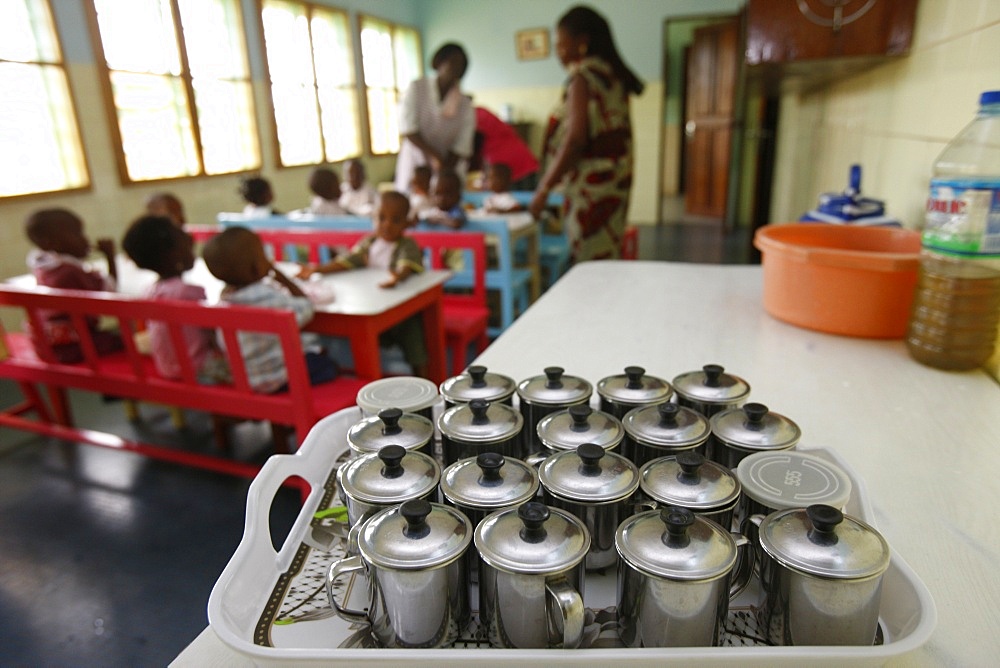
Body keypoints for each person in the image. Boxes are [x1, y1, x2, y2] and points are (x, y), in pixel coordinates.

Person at [529, 5, 643, 262]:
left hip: (590, 191)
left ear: (582, 42)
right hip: (614, 184)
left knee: (589, 262)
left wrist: (544, 188)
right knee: (606, 257)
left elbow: (575, 140)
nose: (558, 53)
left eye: (561, 44)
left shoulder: (582, 78)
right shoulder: (612, 76)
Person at [296, 191, 429, 377]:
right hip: (373, 307)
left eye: (396, 220)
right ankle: (367, 379)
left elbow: (405, 265)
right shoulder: (369, 243)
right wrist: (317, 270)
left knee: (413, 338)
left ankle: (423, 379)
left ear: (406, 224)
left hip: (402, 312)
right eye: (381, 218)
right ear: (373, 218)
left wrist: (397, 278)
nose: (387, 225)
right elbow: (348, 261)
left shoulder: (407, 244)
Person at [201, 226, 336, 394]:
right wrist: (284, 279)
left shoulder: (223, 303)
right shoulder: (269, 299)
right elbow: (306, 307)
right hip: (281, 378)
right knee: (328, 361)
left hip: (248, 381)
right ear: (257, 267)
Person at [121, 215, 228, 383]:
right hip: (197, 370)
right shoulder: (187, 292)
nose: (191, 239)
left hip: (167, 368)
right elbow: (214, 334)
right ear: (172, 254)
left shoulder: (150, 291)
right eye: (185, 241)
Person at [23, 208, 123, 362]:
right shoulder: (69, 272)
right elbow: (110, 292)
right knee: (124, 338)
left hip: (46, 344)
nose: (85, 239)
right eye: (78, 234)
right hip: (73, 346)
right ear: (50, 242)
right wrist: (110, 256)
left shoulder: (43, 267)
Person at [393, 43, 475, 194]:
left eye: (460, 65)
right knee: (413, 201)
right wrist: (434, 157)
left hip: (449, 164)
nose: (455, 68)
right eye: (452, 62)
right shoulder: (417, 88)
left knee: (446, 202)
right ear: (439, 63)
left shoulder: (464, 103)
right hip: (416, 158)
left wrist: (445, 169)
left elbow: (463, 142)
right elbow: (409, 129)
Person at [473, 106, 539, 190]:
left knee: (512, 200)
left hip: (511, 170)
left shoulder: (475, 118)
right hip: (520, 163)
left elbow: (474, 150)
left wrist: (485, 178)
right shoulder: (480, 112)